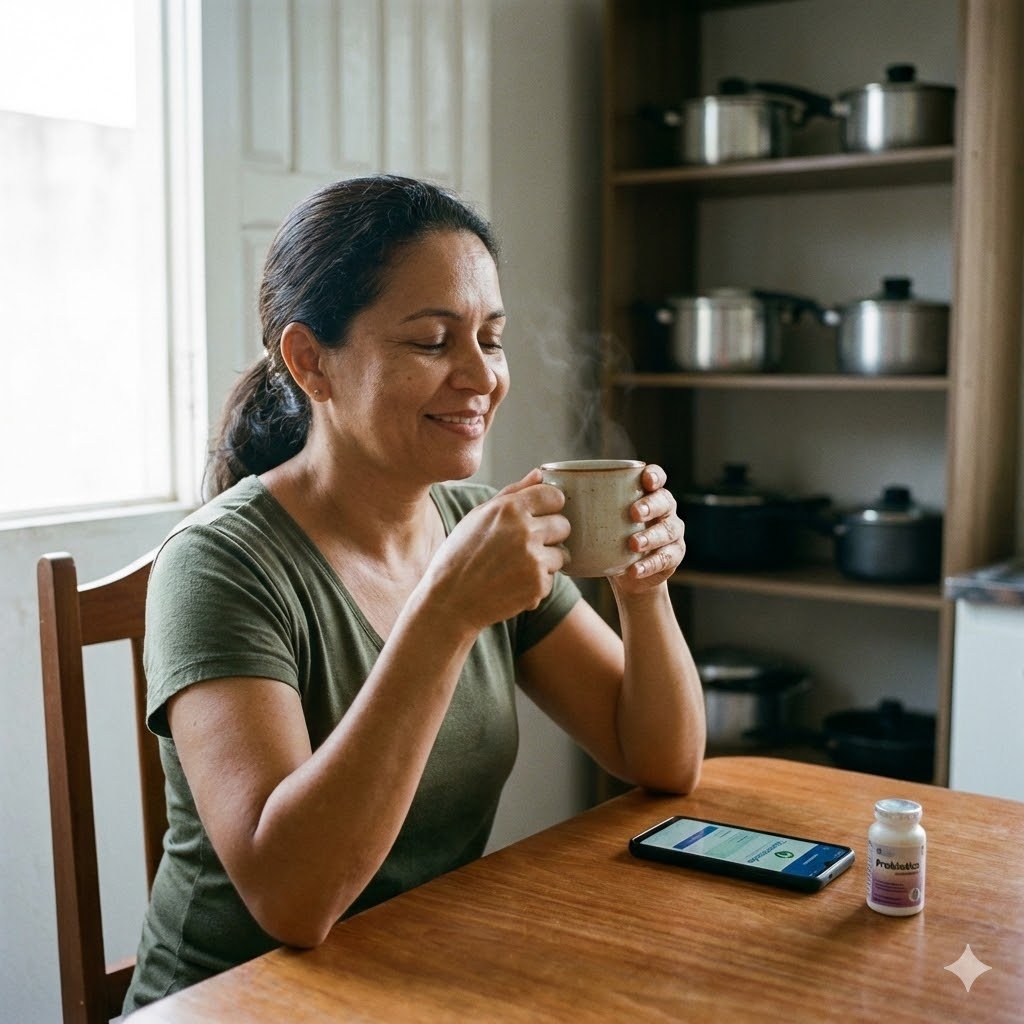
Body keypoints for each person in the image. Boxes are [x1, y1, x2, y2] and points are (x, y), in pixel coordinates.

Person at [123, 174, 706, 1013]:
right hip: (238, 1001)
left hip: (415, 979)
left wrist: (642, 589)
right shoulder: (219, 565)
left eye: (492, 339)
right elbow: (291, 901)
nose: (481, 377)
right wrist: (446, 614)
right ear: (309, 361)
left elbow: (658, 759)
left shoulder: (476, 526)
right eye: (433, 341)